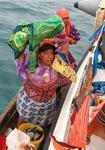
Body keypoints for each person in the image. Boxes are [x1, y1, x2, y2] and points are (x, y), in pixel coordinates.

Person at [16, 41, 70, 128]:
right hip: (30, 103)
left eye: (51, 53)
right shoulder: (31, 67)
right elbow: (20, 56)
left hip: (48, 104)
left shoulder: (57, 66)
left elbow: (68, 75)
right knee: (23, 118)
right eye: (45, 53)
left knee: (45, 122)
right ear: (38, 54)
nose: (50, 57)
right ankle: (19, 131)